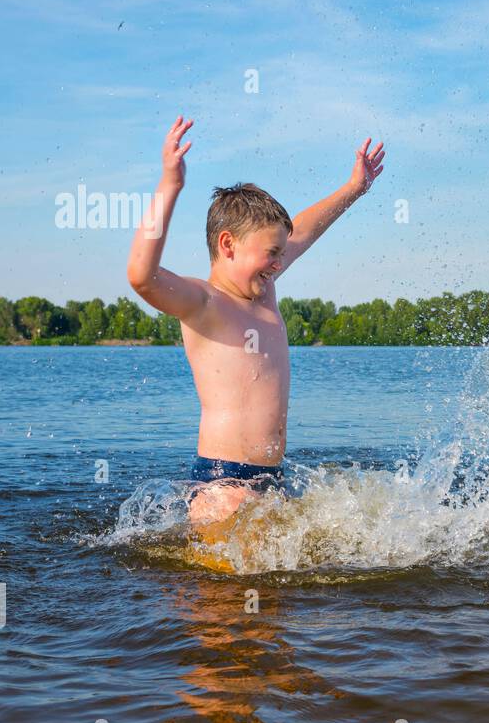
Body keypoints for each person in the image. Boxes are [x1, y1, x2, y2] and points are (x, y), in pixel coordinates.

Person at [126, 115, 385, 524]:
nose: (280, 263)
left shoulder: (264, 287)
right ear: (228, 245)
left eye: (281, 253)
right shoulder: (204, 302)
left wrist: (353, 189)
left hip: (272, 479)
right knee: (223, 589)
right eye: (271, 254)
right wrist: (170, 185)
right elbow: (142, 276)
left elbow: (303, 231)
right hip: (223, 484)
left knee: (279, 587)